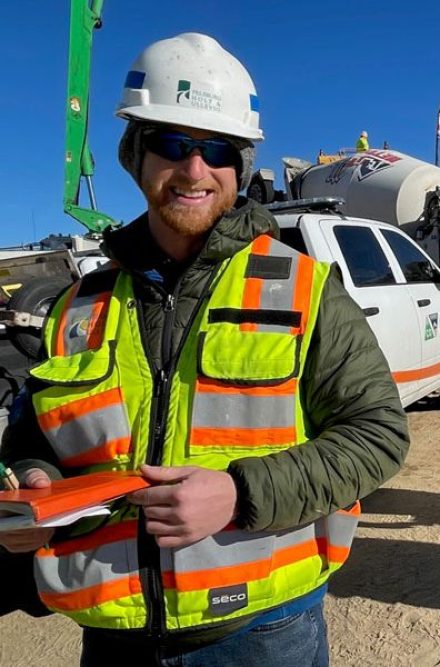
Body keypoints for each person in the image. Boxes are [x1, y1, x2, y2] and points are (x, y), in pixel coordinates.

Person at [0, 33, 409, 666]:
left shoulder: (305, 290)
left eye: (216, 149)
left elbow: (378, 434)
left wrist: (238, 494)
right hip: (115, 640)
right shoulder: (78, 306)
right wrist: (37, 483)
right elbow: (34, 444)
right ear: (134, 156)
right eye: (171, 144)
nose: (194, 169)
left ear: (239, 167)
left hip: (261, 636)